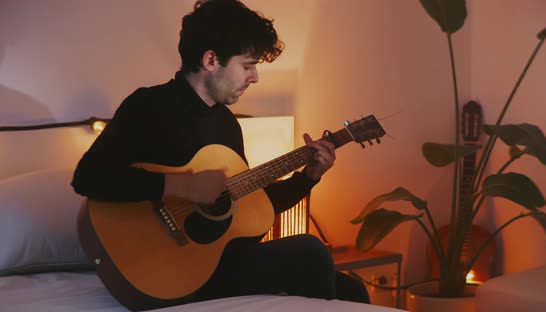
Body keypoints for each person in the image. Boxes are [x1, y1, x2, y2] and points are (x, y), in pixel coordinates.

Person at [72, 0, 369, 310]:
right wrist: (181, 186)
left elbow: (248, 208)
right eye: (248, 65)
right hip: (166, 269)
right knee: (309, 250)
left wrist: (307, 178)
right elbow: (89, 176)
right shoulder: (148, 106)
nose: (255, 77)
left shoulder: (226, 123)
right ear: (211, 60)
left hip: (216, 264)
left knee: (354, 292)